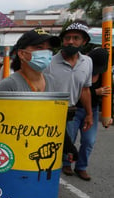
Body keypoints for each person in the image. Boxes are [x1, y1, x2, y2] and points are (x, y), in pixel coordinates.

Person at [0, 28, 61, 198]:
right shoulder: (9, 85)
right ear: (22, 54)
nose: (47, 53)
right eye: (39, 48)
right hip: (13, 161)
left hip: (42, 157)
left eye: (49, 48)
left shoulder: (51, 82)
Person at [44, 20, 93, 177]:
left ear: (84, 41)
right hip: (50, 112)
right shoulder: (49, 62)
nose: (70, 41)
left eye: (76, 38)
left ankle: (64, 170)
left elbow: (85, 89)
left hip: (71, 111)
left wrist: (89, 114)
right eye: (67, 37)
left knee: (68, 147)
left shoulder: (88, 62)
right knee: (51, 149)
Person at [65, 47, 111, 180]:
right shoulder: (81, 69)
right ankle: (67, 163)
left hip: (93, 110)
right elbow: (73, 90)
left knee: (89, 141)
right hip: (75, 109)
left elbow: (108, 95)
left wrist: (108, 115)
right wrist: (95, 92)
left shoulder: (105, 76)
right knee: (70, 139)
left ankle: (81, 167)